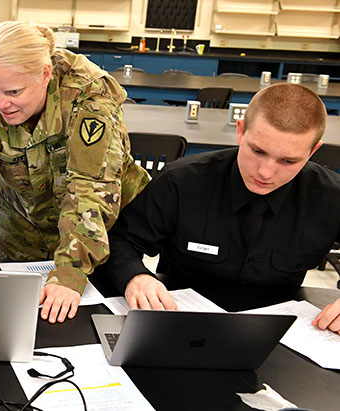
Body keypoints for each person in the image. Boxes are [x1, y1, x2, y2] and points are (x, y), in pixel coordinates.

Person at [0, 21, 150, 324]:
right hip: (21, 237)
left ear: (45, 74)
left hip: (95, 241)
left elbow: (90, 188)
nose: (2, 103)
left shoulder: (89, 96)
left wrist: (70, 270)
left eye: (14, 91)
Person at [101, 83, 340, 334]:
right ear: (240, 131)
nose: (265, 172)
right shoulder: (182, 182)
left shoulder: (331, 197)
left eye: (288, 161)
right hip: (180, 325)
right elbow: (121, 240)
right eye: (257, 151)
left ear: (313, 151)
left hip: (285, 335)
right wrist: (135, 277)